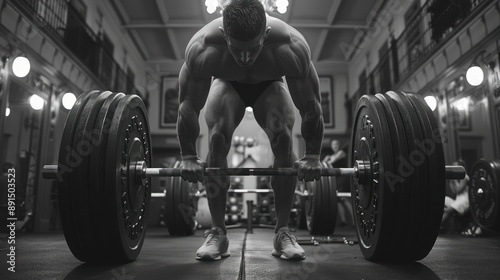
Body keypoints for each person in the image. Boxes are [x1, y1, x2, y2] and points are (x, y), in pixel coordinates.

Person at [177, 0, 323, 261]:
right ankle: (218, 233)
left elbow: (311, 107)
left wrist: (312, 155)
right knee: (218, 137)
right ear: (224, 35)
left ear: (265, 34)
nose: (245, 58)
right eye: (236, 49)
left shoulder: (290, 46)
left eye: (253, 49)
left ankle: (283, 233)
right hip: (226, 83)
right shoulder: (203, 48)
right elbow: (188, 106)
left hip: (270, 85)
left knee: (283, 140)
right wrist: (188, 157)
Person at [441, 159, 481, 236]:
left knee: (448, 211)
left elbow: (458, 190)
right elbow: (453, 191)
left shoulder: (465, 177)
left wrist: (454, 180)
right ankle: (445, 224)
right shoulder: (456, 178)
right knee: (444, 200)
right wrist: (451, 180)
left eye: (455, 166)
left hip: (465, 201)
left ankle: (438, 227)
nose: (452, 167)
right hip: (458, 200)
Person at [322, 139, 353, 226]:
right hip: (336, 179)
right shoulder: (332, 155)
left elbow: (331, 162)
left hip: (343, 179)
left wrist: (326, 159)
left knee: (344, 199)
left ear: (339, 145)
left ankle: (354, 221)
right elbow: (323, 165)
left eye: (336, 144)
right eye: (333, 145)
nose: (334, 146)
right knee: (338, 200)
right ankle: (343, 221)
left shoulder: (341, 152)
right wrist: (325, 159)